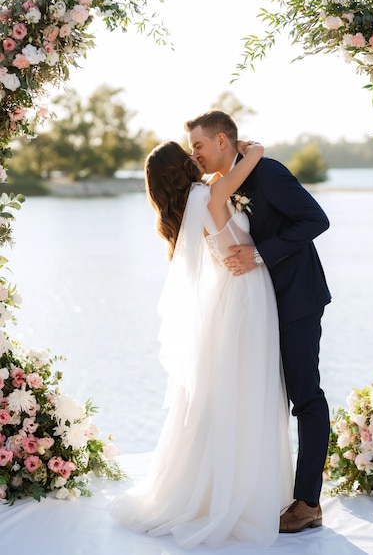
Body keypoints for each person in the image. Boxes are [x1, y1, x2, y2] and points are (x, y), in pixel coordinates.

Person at [111, 140, 294, 549]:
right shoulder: (208, 194)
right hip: (247, 295)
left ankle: (224, 483)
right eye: (188, 153)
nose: (196, 156)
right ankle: (243, 492)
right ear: (181, 167)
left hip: (232, 296)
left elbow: (221, 190)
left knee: (232, 390)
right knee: (249, 388)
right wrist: (256, 150)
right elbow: (246, 165)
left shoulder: (190, 205)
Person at [186, 110, 331, 534]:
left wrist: (261, 253)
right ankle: (267, 488)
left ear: (223, 142)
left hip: (296, 299)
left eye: (199, 144)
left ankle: (307, 502)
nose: (194, 152)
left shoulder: (266, 172)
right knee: (266, 398)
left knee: (306, 396)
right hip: (258, 307)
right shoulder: (222, 184)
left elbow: (316, 219)